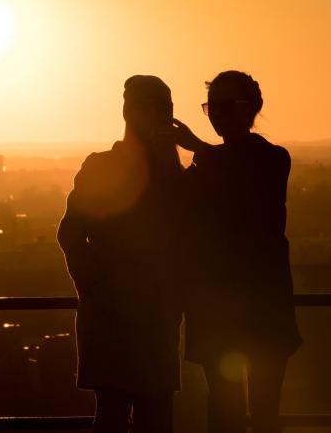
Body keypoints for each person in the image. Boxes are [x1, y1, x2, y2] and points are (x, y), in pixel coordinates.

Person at [167, 70, 302, 433]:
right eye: (212, 107)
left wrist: (196, 149)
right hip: (250, 307)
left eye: (225, 106)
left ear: (252, 108)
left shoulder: (271, 159)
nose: (216, 115)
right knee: (244, 411)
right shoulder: (223, 163)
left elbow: (240, 185)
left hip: (238, 307)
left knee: (248, 412)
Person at [57, 75, 185, 433]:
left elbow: (70, 233)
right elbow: (70, 232)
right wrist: (95, 287)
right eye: (159, 108)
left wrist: (93, 286)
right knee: (141, 414)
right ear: (132, 112)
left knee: (127, 414)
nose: (165, 116)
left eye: (168, 109)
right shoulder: (115, 167)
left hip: (139, 312)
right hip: (131, 311)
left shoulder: (165, 172)